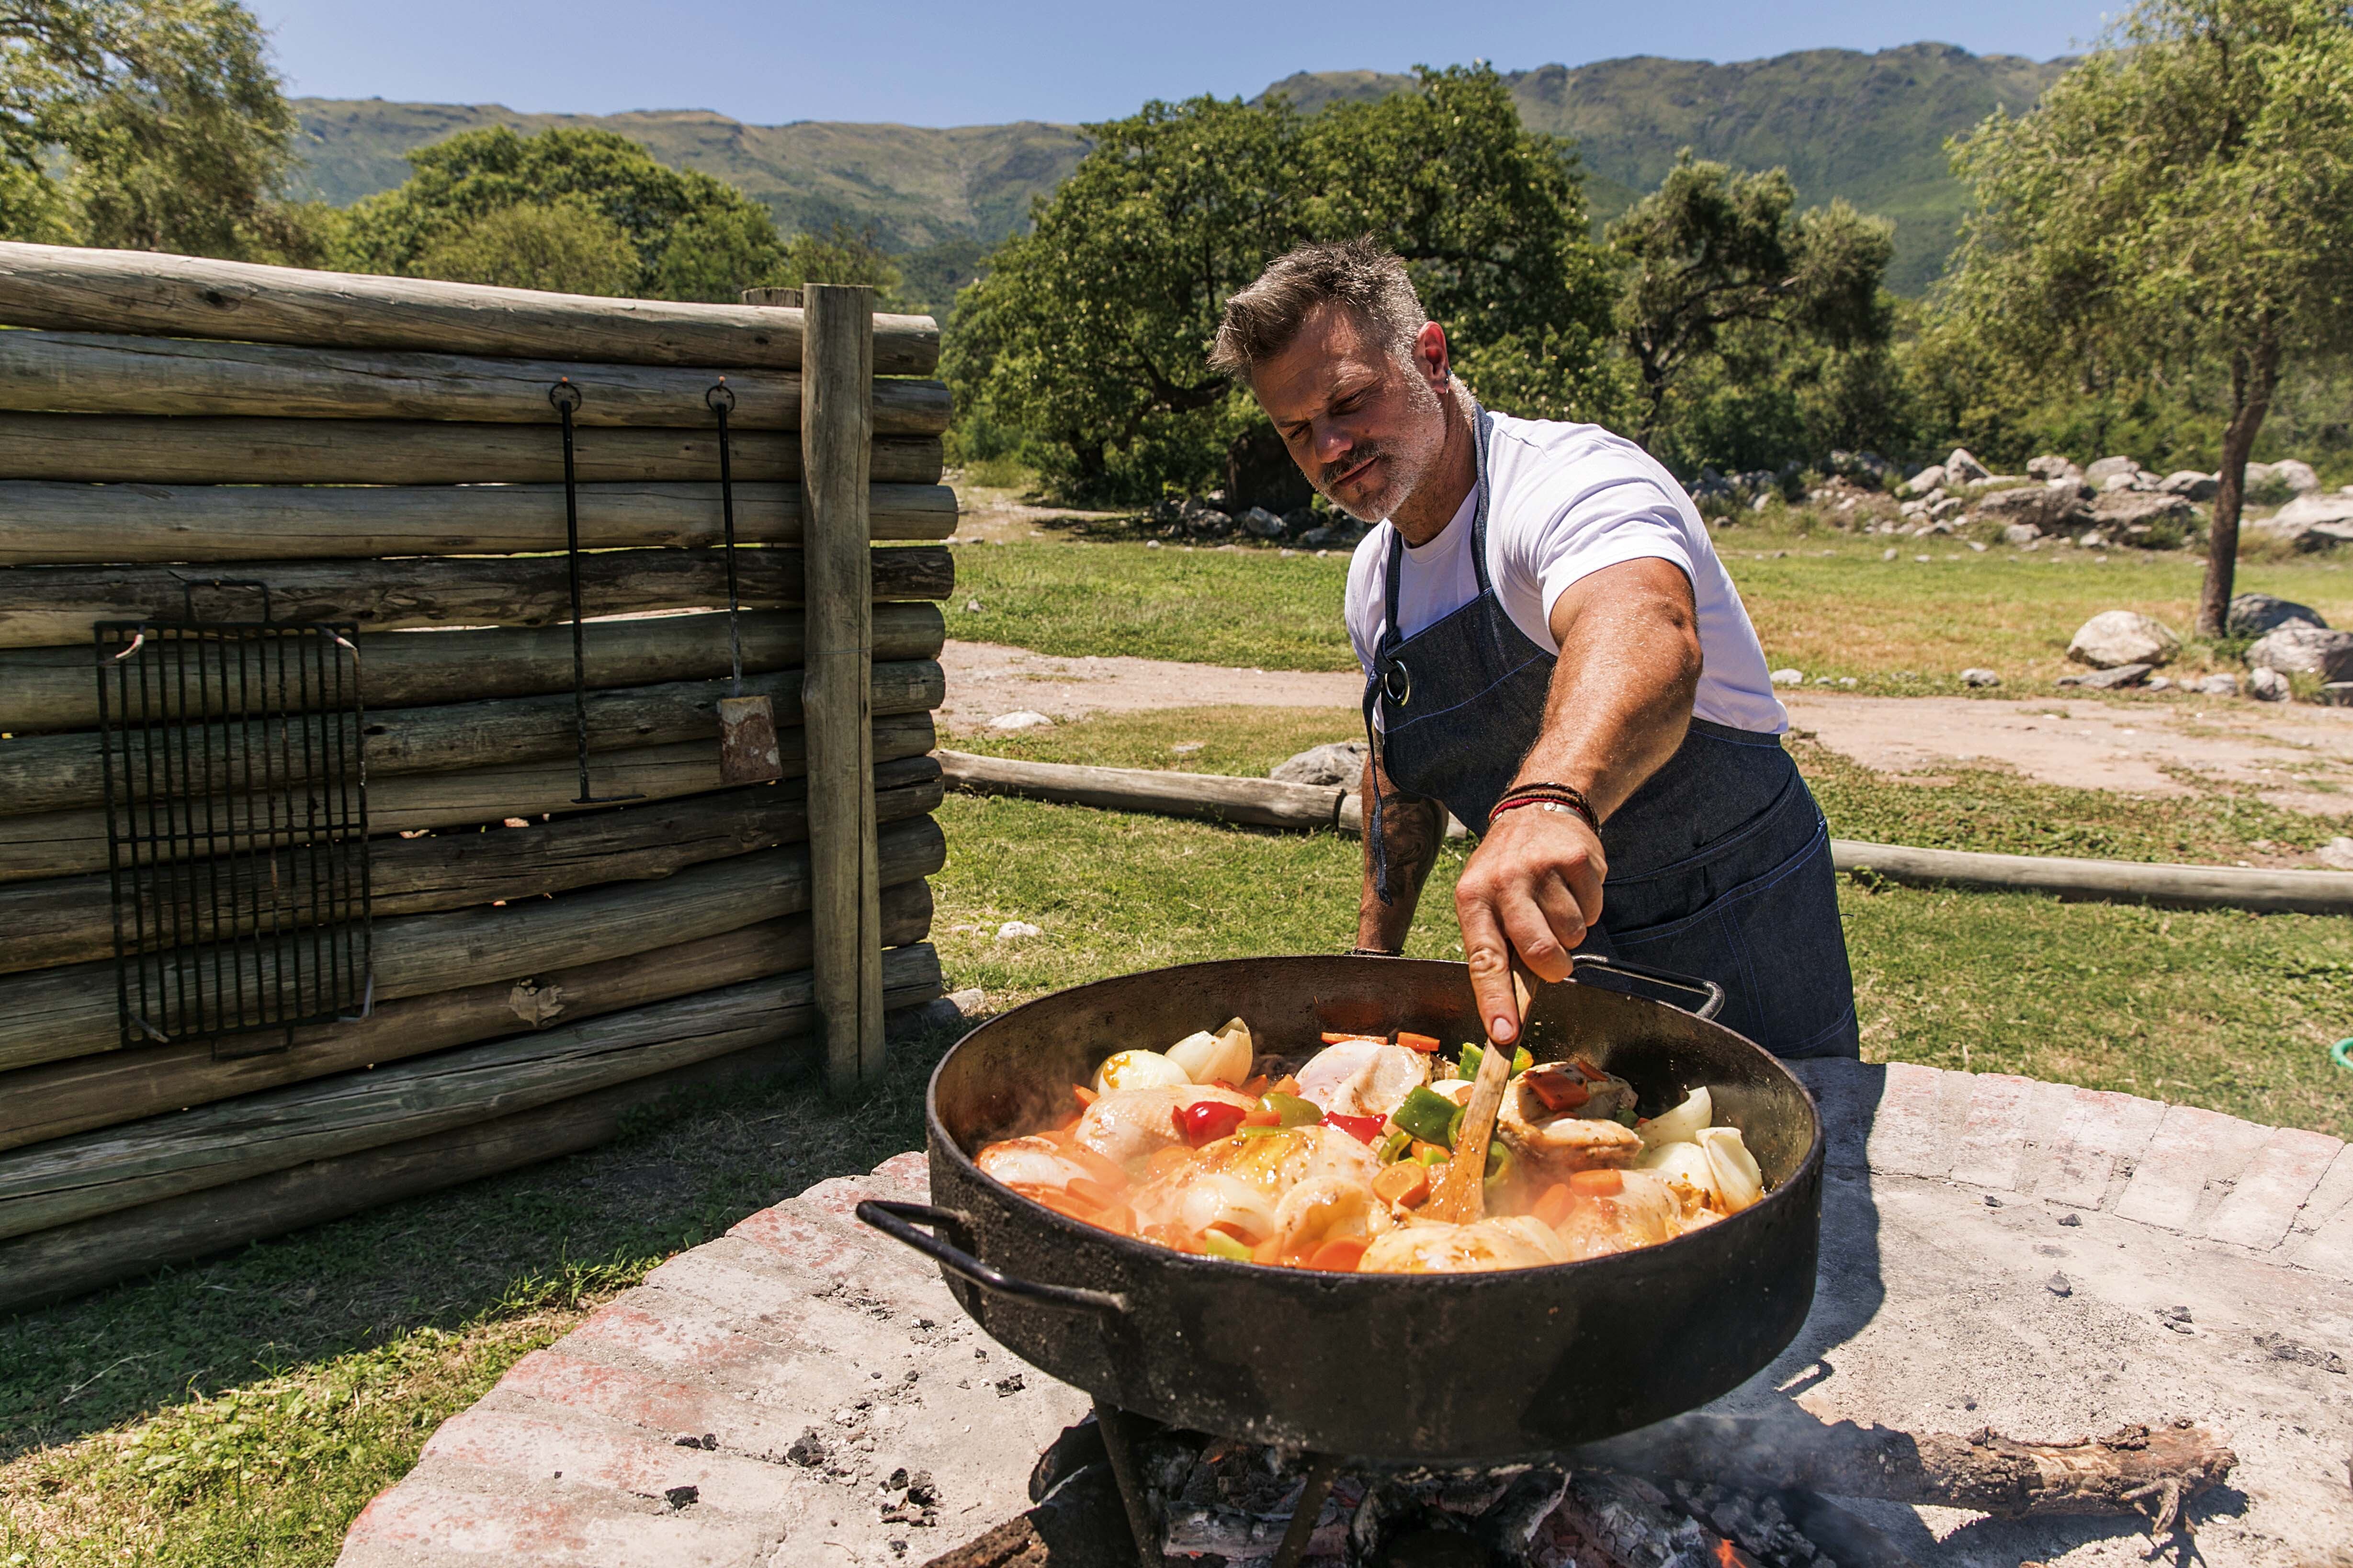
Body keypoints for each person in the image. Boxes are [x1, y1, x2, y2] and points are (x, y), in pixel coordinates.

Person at [1208, 237, 1857, 1059]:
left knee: (1792, 1165)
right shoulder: (1376, 581)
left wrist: (1547, 801)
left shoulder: (1571, 479)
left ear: (1431, 358)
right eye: (1296, 431)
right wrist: (1372, 967)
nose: (1329, 448)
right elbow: (1398, 773)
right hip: (1560, 968)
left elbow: (1644, 623)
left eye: (1349, 403)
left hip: (1738, 936)